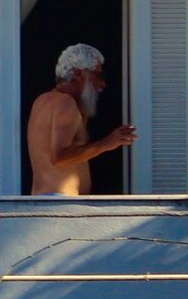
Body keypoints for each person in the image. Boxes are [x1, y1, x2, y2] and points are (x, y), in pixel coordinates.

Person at [27, 43, 135, 196]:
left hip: (48, 200)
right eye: (98, 76)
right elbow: (59, 157)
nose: (102, 84)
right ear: (78, 74)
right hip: (59, 202)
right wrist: (107, 143)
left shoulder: (43, 100)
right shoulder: (65, 102)